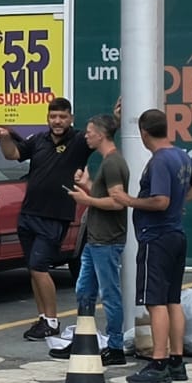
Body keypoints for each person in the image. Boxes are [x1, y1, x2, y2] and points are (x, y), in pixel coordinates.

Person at [0, 96, 120, 341]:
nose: (57, 121)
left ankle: (52, 321)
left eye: (62, 117)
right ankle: (43, 317)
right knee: (33, 268)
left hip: (55, 215)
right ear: (47, 118)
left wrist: (116, 118)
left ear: (70, 118)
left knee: (40, 267)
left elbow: (104, 135)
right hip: (29, 213)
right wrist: (6, 139)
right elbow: (12, 155)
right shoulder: (38, 140)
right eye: (53, 116)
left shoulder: (79, 141)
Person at [114, 109, 192, 383]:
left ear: (144, 133)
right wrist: (182, 203)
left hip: (156, 237)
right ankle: (177, 362)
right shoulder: (180, 155)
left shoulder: (159, 161)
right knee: (172, 300)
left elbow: (160, 201)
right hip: (176, 236)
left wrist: (129, 200)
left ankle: (158, 363)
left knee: (155, 302)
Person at [52, 113, 131, 365]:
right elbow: (106, 197)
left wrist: (86, 200)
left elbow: (117, 202)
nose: (85, 135)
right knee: (84, 291)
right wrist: (87, 186)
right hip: (95, 239)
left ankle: (115, 347)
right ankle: (83, 339)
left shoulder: (112, 163)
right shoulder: (107, 163)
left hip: (107, 240)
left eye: (89, 131)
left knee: (109, 294)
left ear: (101, 134)